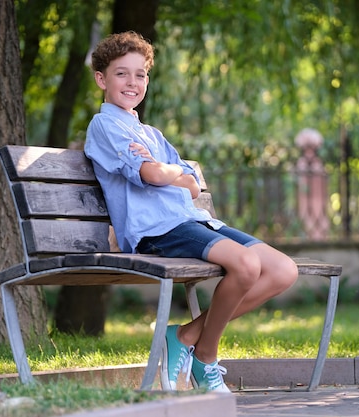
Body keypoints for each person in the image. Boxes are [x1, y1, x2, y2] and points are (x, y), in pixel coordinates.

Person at [84, 31, 298, 393]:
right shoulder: (104, 126)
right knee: (246, 265)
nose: (132, 82)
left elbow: (194, 183)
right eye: (122, 73)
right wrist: (170, 173)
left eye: (140, 74)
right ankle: (206, 357)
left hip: (193, 221)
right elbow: (151, 175)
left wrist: (170, 172)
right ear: (102, 79)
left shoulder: (150, 134)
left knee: (282, 270)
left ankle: (183, 336)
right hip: (157, 231)